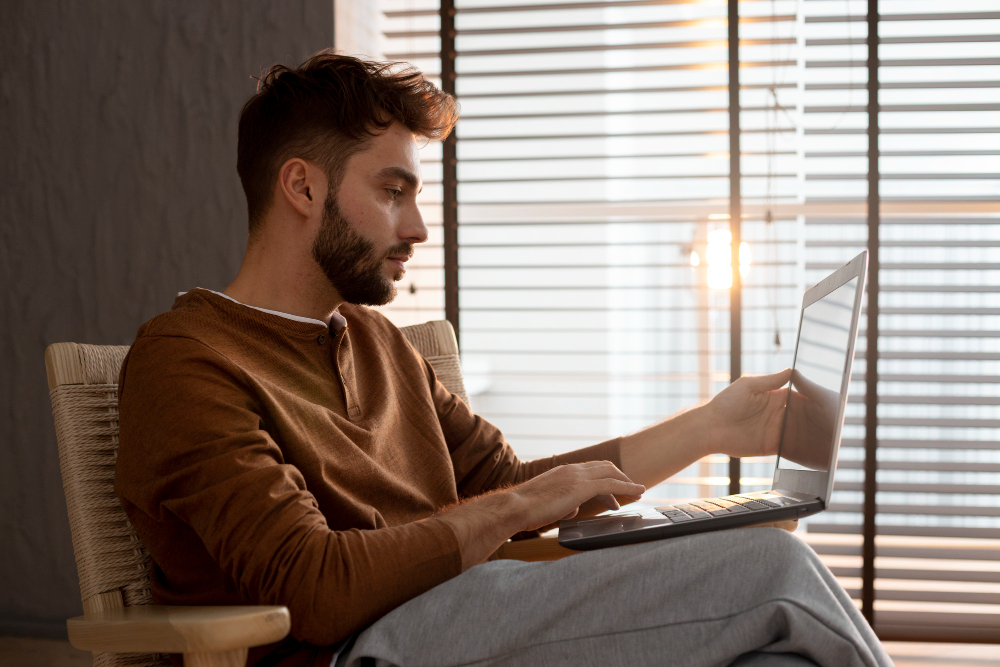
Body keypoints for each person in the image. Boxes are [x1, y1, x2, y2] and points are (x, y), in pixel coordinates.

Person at [115, 51, 891, 667]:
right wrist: (518, 508)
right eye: (393, 190)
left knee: (777, 653)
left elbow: (515, 487)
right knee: (768, 567)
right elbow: (314, 588)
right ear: (302, 187)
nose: (417, 226)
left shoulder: (380, 344)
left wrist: (710, 427)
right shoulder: (188, 362)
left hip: (470, 616)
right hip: (358, 648)